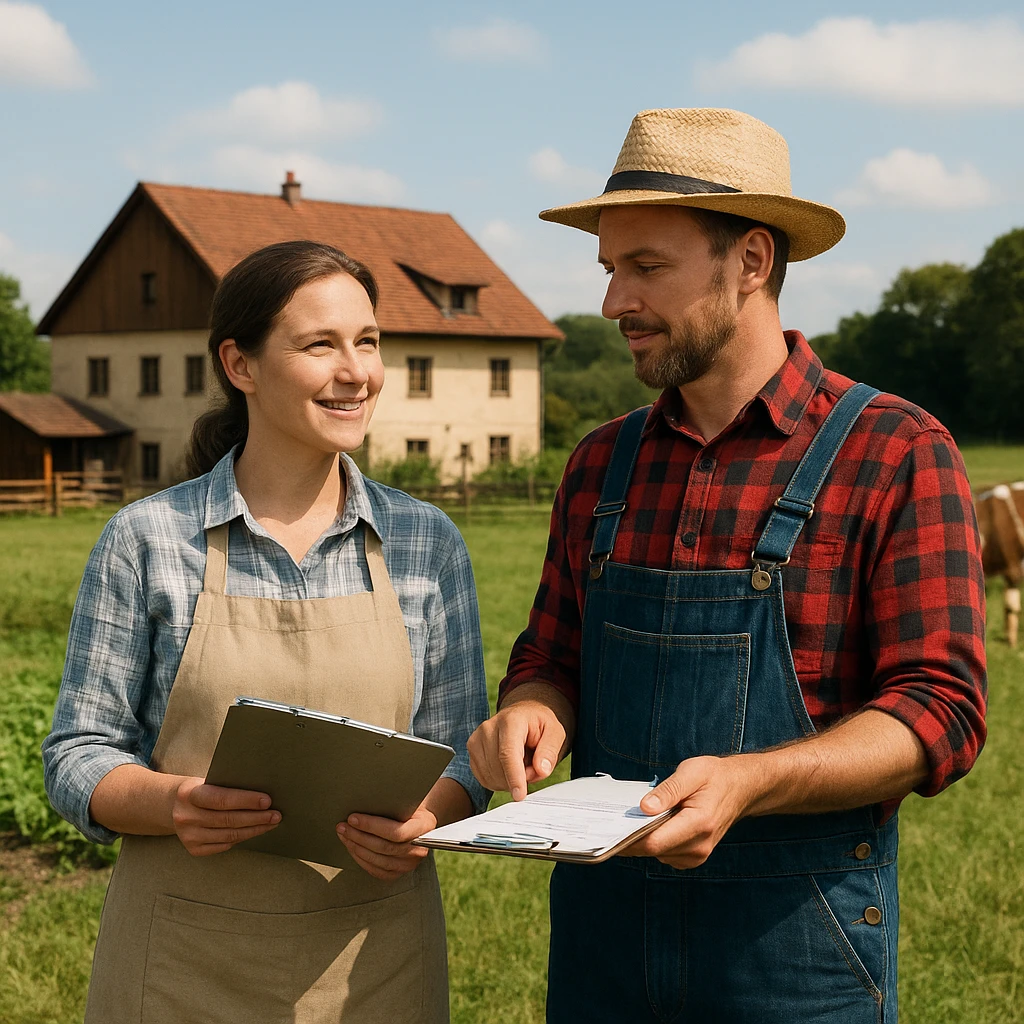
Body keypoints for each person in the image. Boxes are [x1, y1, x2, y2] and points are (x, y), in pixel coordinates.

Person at [468, 108, 987, 1023]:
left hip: (799, 954)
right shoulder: (599, 463)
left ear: (750, 260)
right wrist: (532, 710)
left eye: (646, 267)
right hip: (601, 946)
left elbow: (939, 711)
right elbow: (552, 655)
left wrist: (751, 781)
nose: (614, 302)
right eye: (610, 269)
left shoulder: (896, 451)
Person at [43, 240, 489, 1023]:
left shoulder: (426, 543)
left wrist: (430, 818)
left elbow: (462, 753)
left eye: (367, 341)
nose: (356, 371)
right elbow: (77, 753)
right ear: (240, 365)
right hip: (178, 966)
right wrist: (175, 803)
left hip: (375, 965)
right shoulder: (147, 539)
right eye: (320, 345)